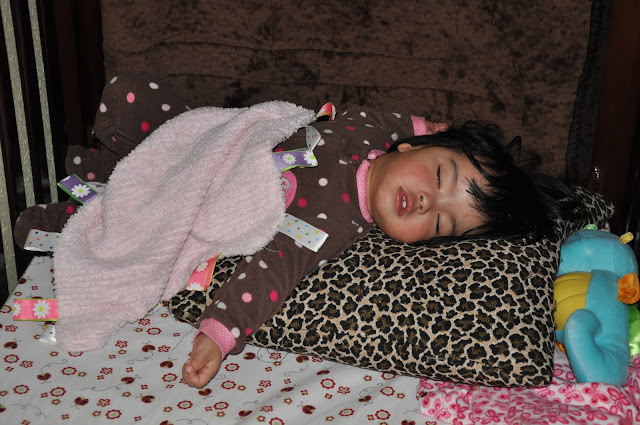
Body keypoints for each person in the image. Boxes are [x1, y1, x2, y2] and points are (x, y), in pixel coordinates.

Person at [181, 109, 578, 388]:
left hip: (204, 182)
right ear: (410, 147)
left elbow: (274, 268)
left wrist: (220, 332)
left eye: (440, 223)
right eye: (439, 176)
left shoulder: (328, 225)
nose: (426, 201)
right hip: (222, 131)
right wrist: (420, 124)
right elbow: (379, 118)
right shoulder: (369, 133)